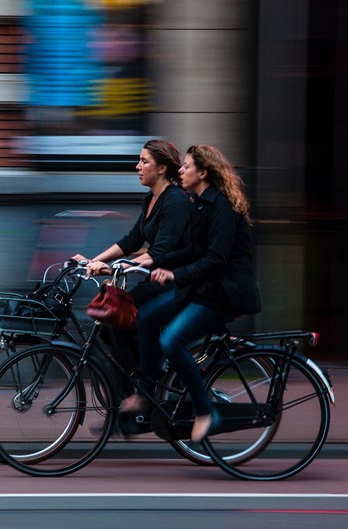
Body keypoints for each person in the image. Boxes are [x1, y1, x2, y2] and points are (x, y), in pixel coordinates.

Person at [120, 144, 261, 443]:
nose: (180, 171)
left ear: (203, 172)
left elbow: (216, 259)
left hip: (223, 294)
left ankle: (206, 411)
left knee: (171, 340)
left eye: (186, 166)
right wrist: (156, 261)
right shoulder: (199, 203)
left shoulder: (220, 206)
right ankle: (145, 394)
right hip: (201, 288)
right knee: (145, 317)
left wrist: (174, 274)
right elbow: (192, 249)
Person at [71, 139, 192, 399]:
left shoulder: (176, 201)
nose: (137, 166)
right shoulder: (151, 198)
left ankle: (145, 389)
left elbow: (160, 252)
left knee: (118, 323)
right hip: (153, 280)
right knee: (109, 327)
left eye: (144, 161)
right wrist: (93, 260)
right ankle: (137, 391)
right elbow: (131, 241)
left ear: (161, 168)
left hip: (174, 282)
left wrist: (119, 267)